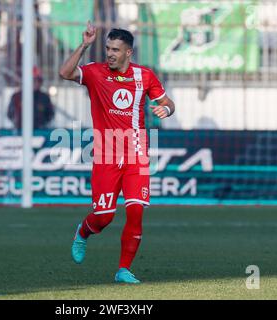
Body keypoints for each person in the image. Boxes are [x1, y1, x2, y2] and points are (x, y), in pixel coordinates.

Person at [59, 22, 175, 284]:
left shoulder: (144, 76)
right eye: (107, 48)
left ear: (128, 53)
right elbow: (64, 72)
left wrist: (165, 110)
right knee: (103, 217)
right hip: (106, 154)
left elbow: (168, 103)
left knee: (135, 212)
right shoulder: (95, 73)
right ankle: (83, 233)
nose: (109, 53)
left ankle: (123, 269)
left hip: (136, 154)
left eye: (115, 49)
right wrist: (84, 45)